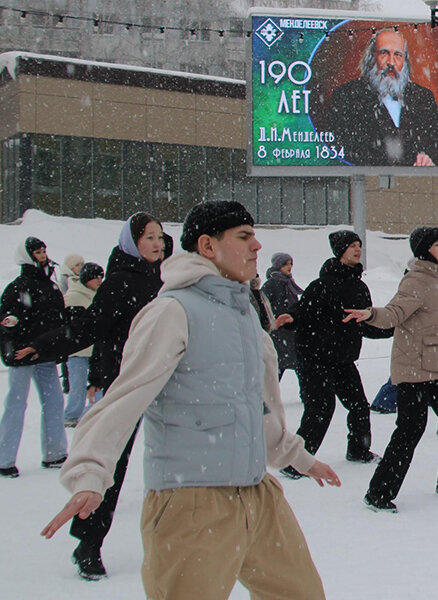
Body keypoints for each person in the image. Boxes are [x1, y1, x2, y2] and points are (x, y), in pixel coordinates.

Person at [42, 200, 340, 599]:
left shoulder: (245, 316)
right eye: (244, 236)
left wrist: (301, 459)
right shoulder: (172, 311)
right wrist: (90, 473)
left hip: (258, 495)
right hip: (191, 503)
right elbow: (122, 400)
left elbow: (256, 410)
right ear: (207, 245)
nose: (257, 246)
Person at [17, 213, 166, 580]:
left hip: (164, 382)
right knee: (110, 465)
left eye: (160, 237)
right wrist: (43, 344)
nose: (157, 243)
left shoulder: (162, 280)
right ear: (132, 242)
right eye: (148, 237)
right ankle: (89, 543)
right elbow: (90, 327)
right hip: (126, 383)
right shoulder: (119, 283)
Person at [345, 226, 438, 512]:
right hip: (415, 371)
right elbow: (394, 313)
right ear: (424, 250)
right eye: (437, 244)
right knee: (409, 431)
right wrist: (371, 314)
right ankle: (378, 494)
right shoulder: (416, 281)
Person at [282, 230, 389, 475]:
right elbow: (302, 312)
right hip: (314, 358)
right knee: (320, 408)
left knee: (359, 406)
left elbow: (364, 324)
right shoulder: (322, 284)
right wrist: (290, 318)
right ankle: (296, 463)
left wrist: (392, 327)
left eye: (359, 245)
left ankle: (358, 450)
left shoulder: (360, 287)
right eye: (351, 245)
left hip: (343, 359)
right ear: (340, 250)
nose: (357, 249)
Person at [317, 29, 438, 167]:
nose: (391, 62)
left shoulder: (423, 97)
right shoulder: (346, 95)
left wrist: (429, 160)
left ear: (405, 61)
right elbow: (334, 153)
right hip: (366, 183)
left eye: (398, 55)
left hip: (413, 184)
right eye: (384, 53)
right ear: (371, 57)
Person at [0, 237, 69, 478]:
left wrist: (54, 346)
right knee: (17, 404)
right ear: (27, 256)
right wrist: (13, 328)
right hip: (22, 355)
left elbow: (57, 319)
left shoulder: (49, 286)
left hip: (44, 354)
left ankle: (55, 452)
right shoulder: (18, 287)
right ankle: (4, 458)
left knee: (54, 402)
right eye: (37, 252)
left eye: (43, 251)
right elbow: (9, 319)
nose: (42, 255)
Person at [62, 263, 105, 426]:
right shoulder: (73, 297)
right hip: (78, 351)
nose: (100, 281)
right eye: (96, 277)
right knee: (78, 386)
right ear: (87, 279)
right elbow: (69, 325)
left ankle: (91, 414)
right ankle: (71, 416)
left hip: (97, 349)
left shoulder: (100, 295)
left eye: (102, 277)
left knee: (100, 385)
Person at [262, 252, 302, 381]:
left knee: (299, 365)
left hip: (291, 330)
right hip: (278, 332)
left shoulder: (289, 284)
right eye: (285, 264)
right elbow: (263, 306)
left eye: (290, 264)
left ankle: (308, 396)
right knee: (277, 366)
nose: (289, 267)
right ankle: (267, 397)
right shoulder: (271, 284)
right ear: (278, 265)